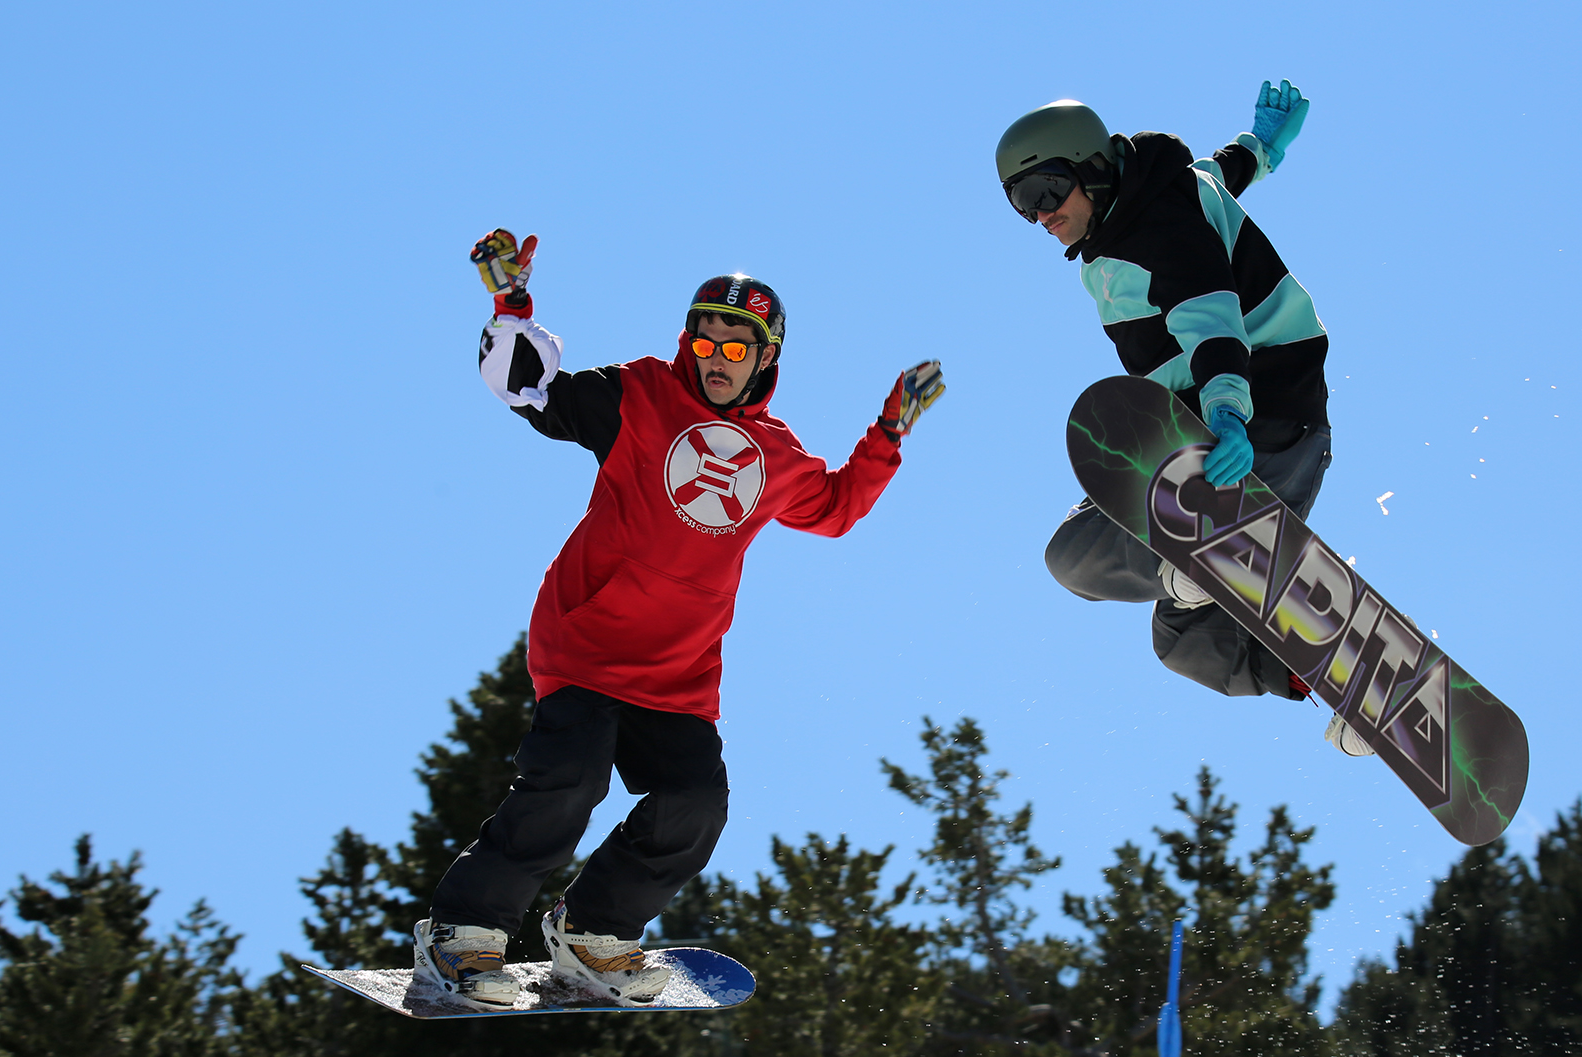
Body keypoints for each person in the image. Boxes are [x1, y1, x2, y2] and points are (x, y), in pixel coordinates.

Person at [413, 230, 946, 1009]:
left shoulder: (776, 453)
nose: (717, 358)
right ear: (684, 344)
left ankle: (594, 934)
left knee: (696, 805)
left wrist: (888, 433)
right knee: (570, 780)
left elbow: (833, 509)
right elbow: (534, 394)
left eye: (739, 347)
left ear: (767, 360)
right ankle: (463, 933)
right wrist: (513, 303)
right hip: (588, 645)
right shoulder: (639, 395)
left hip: (677, 673)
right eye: (705, 340)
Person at [995, 83, 1371, 758]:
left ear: (1093, 167)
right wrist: (1263, 145)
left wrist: (1227, 412)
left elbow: (1211, 317)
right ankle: (1350, 687)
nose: (1041, 215)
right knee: (1183, 642)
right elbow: (1224, 174)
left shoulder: (1152, 230)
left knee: (1074, 557)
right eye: (1021, 202)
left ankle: (1197, 556)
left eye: (1048, 191)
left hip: (1237, 431)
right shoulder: (1171, 189)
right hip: (1298, 438)